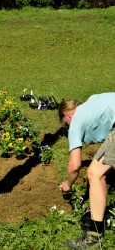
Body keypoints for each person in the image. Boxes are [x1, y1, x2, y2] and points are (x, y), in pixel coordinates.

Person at [58, 92, 115, 249]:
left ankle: (94, 236)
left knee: (94, 173)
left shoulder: (75, 122)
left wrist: (68, 184)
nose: (68, 126)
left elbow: (75, 165)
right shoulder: (92, 101)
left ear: (67, 114)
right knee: (100, 172)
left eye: (66, 124)